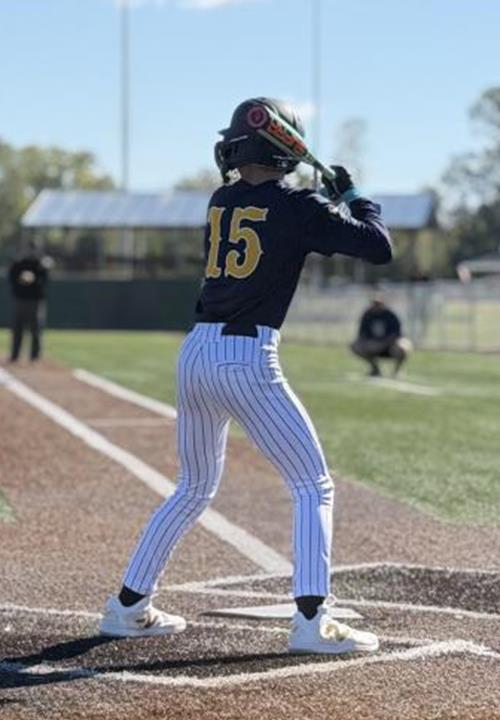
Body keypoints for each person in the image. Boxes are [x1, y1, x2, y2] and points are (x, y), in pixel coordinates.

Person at [100, 98, 393, 654]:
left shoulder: (222, 199)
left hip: (196, 351)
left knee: (192, 486)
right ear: (287, 151)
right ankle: (313, 621)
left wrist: (322, 203)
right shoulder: (299, 204)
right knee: (313, 485)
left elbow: (276, 219)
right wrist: (354, 195)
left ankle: (128, 606)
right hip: (246, 354)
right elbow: (378, 246)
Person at [8, 241, 50, 363]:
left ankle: (35, 356)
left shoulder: (40, 265)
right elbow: (11, 278)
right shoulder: (18, 263)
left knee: (36, 329)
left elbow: (45, 281)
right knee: (17, 328)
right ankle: (15, 355)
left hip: (35, 301)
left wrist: (37, 277)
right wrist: (21, 281)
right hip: (20, 299)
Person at [351, 296, 411, 377]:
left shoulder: (391, 315)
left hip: (390, 346)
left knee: (403, 347)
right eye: (375, 304)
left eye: (378, 304)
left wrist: (383, 344)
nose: (376, 306)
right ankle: (375, 369)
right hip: (373, 345)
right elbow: (362, 335)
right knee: (356, 346)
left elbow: (397, 335)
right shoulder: (368, 315)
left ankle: (397, 371)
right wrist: (370, 343)